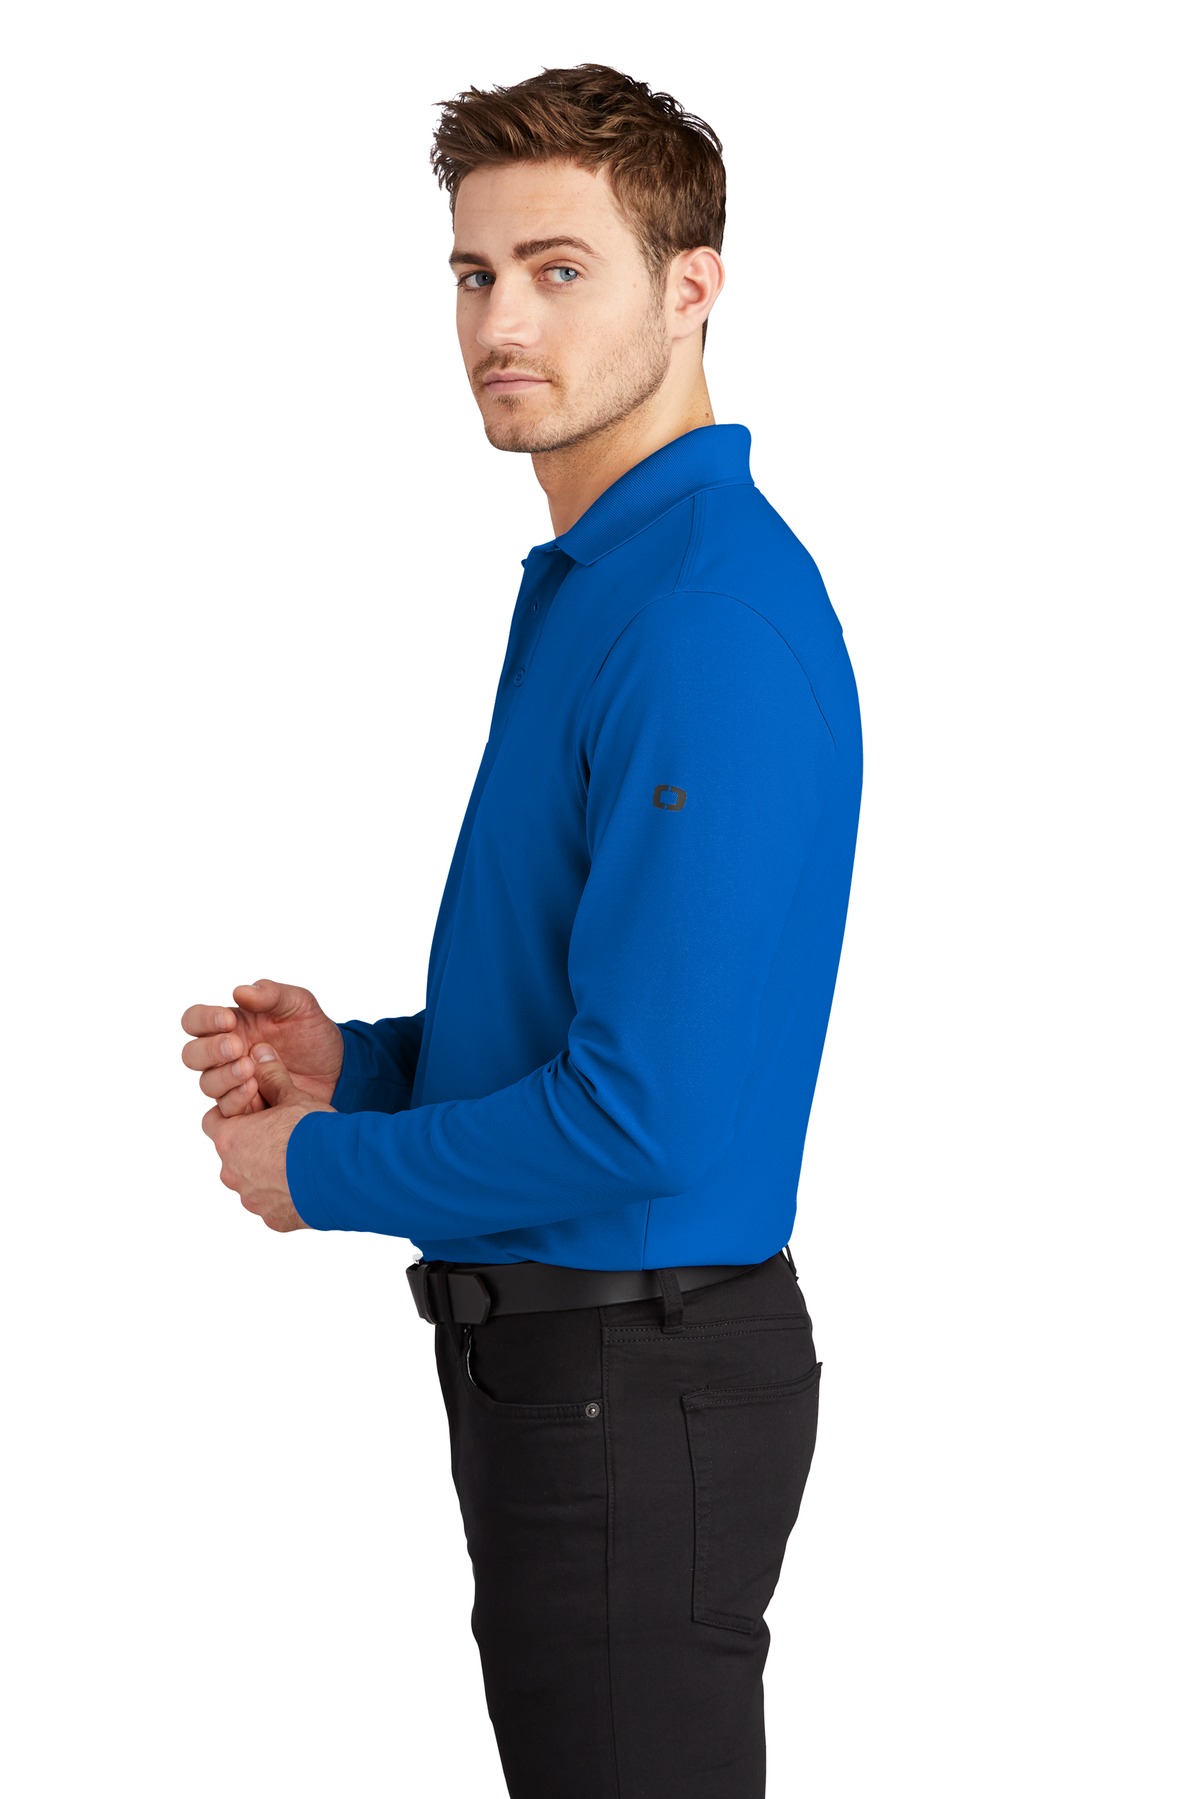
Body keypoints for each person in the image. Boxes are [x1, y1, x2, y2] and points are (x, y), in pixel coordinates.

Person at [181, 62, 863, 1799]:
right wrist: (363, 1066)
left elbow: (646, 1118)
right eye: (476, 274)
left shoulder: (698, 621)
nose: (502, 322)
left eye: (562, 271)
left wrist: (323, 1167)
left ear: (692, 286)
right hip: (577, 1368)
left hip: (630, 1374)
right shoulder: (598, 585)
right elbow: (585, 1011)